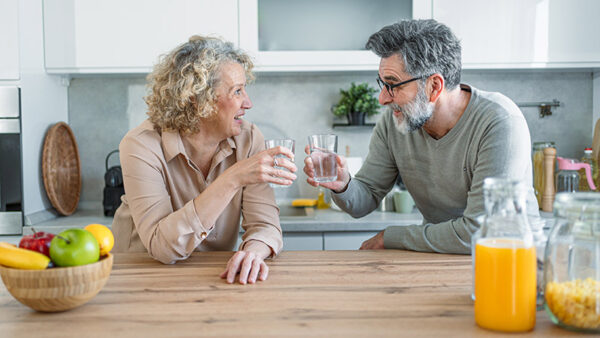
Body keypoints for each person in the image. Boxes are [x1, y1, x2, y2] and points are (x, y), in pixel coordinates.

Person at [304, 19, 537, 254]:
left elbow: (478, 233)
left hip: (509, 260)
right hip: (436, 257)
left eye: (393, 85)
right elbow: (365, 198)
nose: (382, 99)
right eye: (382, 84)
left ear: (434, 87)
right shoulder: (394, 122)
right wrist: (342, 184)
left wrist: (392, 237)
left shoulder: (499, 122)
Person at [112, 36, 297, 284]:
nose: (249, 103)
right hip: (143, 276)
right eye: (238, 91)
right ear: (197, 100)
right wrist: (233, 178)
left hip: (215, 276)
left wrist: (253, 252)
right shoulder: (141, 145)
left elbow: (265, 225)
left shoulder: (249, 139)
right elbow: (161, 247)